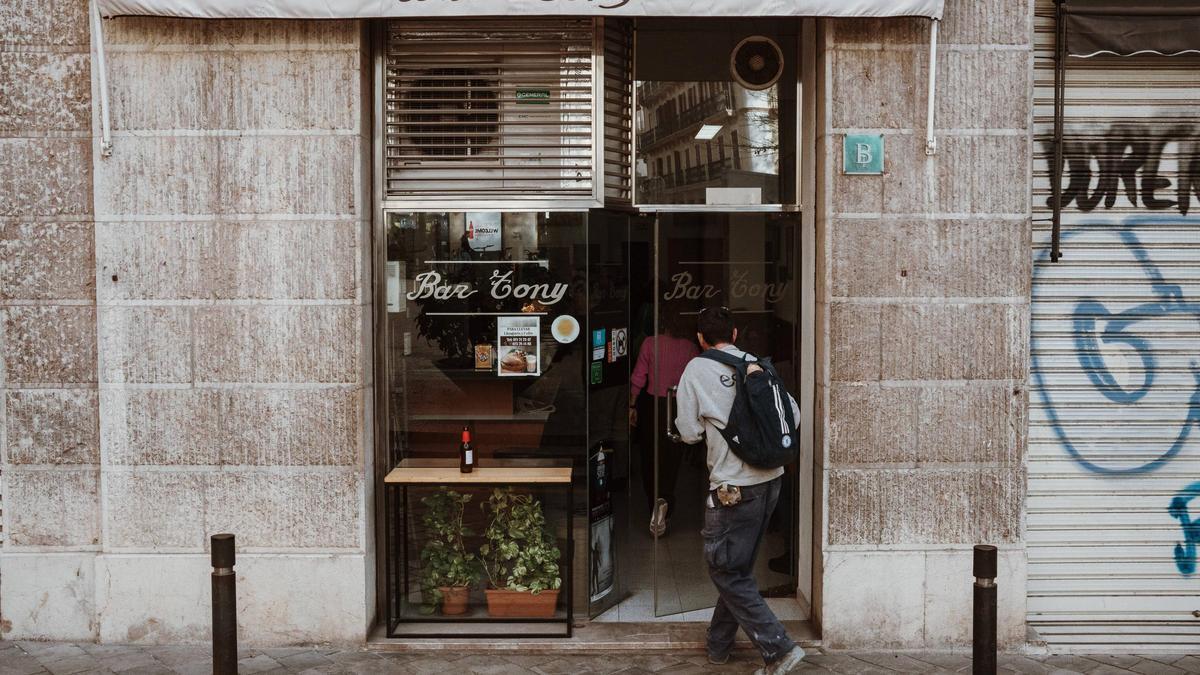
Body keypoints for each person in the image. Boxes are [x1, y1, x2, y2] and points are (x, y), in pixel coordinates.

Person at [674, 306, 806, 674]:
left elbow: (687, 432)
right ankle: (718, 645)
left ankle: (778, 648)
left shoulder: (696, 369)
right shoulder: (756, 363)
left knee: (727, 571)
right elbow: (791, 415)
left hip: (732, 488)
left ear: (700, 339)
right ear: (734, 334)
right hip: (771, 480)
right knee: (739, 567)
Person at [629, 303, 700, 535]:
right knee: (672, 458)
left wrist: (631, 404)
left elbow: (639, 377)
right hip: (680, 404)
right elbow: (696, 380)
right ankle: (665, 501)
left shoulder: (650, 343)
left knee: (650, 457)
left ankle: (654, 505)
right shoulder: (690, 347)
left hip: (653, 405)